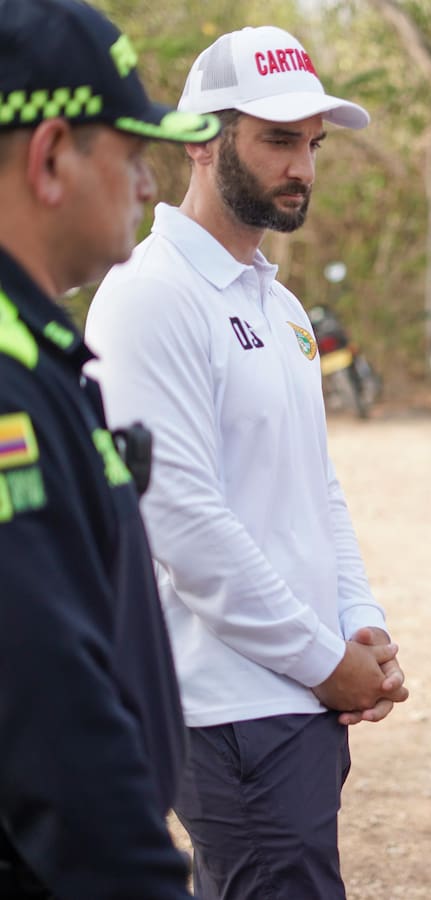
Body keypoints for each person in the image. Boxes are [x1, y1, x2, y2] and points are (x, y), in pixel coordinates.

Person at [84, 25, 408, 899]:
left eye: (313, 144)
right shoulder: (151, 295)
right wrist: (325, 662)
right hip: (226, 705)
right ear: (201, 141)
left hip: (298, 698)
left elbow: (316, 487)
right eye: (277, 140)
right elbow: (182, 522)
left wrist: (360, 624)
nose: (302, 166)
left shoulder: (283, 305)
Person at [0, 1, 220, 896]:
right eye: (131, 155)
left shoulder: (34, 350)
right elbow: (48, 702)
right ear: (52, 157)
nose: (144, 186)